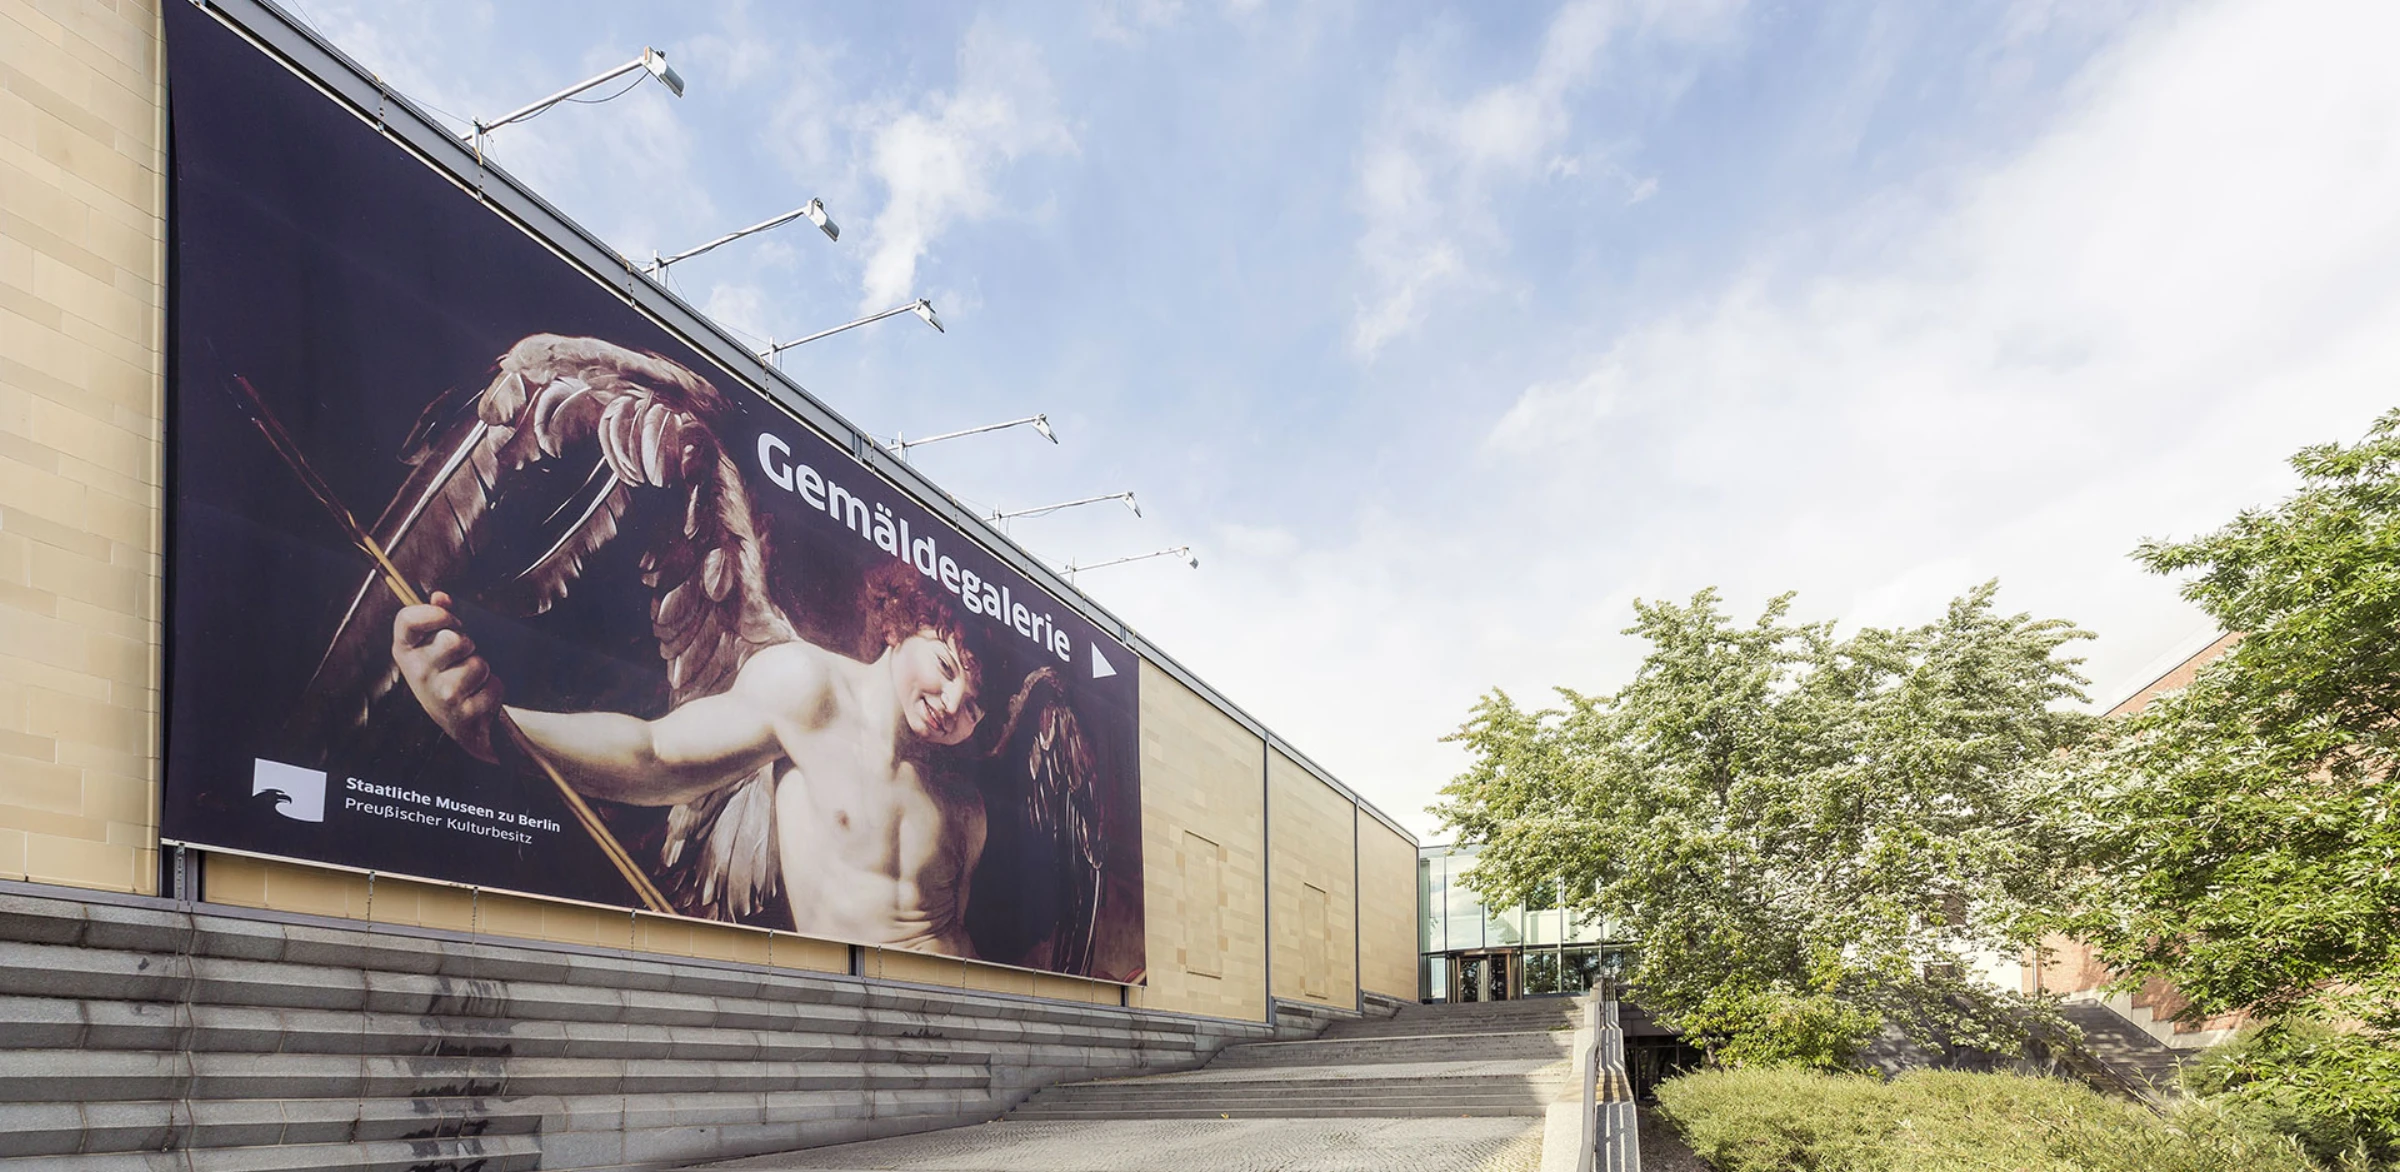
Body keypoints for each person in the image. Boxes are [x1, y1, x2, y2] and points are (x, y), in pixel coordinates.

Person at [391, 560, 990, 956]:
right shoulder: (809, 687)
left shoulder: (964, 802)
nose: (952, 702)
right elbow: (659, 756)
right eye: (945, 667)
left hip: (961, 1029)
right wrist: (496, 728)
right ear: (899, 628)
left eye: (976, 707)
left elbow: (957, 927)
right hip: (860, 1028)